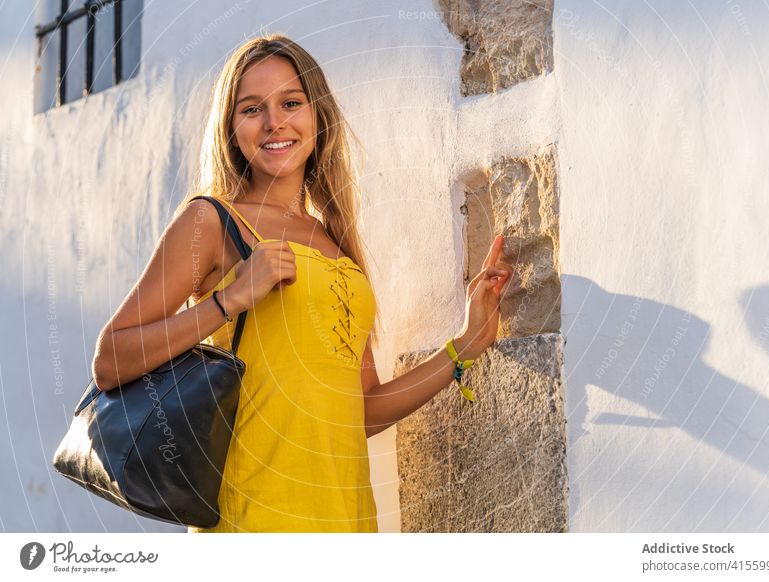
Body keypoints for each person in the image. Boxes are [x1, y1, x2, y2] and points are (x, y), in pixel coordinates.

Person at [90, 34, 512, 533]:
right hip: (253, 521)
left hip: (345, 522)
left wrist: (464, 346)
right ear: (231, 128)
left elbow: (361, 411)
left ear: (318, 117)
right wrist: (228, 300)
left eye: (291, 103)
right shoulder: (210, 221)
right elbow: (110, 359)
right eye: (252, 109)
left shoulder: (335, 242)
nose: (274, 122)